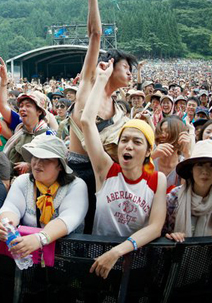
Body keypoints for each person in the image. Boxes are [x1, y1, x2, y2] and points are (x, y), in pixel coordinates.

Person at [81, 60, 167, 279]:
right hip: (98, 264)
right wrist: (101, 79)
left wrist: (117, 251)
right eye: (124, 140)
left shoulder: (157, 180)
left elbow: (156, 227)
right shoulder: (106, 170)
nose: (128, 146)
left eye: (137, 142)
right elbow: (86, 122)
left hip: (133, 265)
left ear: (148, 151)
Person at [67, 0, 135, 233]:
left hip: (106, 173)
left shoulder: (119, 109)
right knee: (76, 230)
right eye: (126, 67)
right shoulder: (89, 83)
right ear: (110, 66)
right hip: (77, 170)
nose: (130, 74)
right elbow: (95, 34)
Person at [0, 135, 87, 259]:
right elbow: (11, 207)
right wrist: (6, 225)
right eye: (35, 157)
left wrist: (40, 238)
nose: (37, 163)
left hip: (66, 256)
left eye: (46, 159)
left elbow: (69, 218)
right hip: (30, 255)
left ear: (60, 165)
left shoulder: (76, 186)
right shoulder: (23, 181)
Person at [163, 139, 212, 242]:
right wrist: (170, 237)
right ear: (191, 169)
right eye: (200, 164)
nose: (205, 171)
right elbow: (160, 232)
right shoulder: (173, 198)